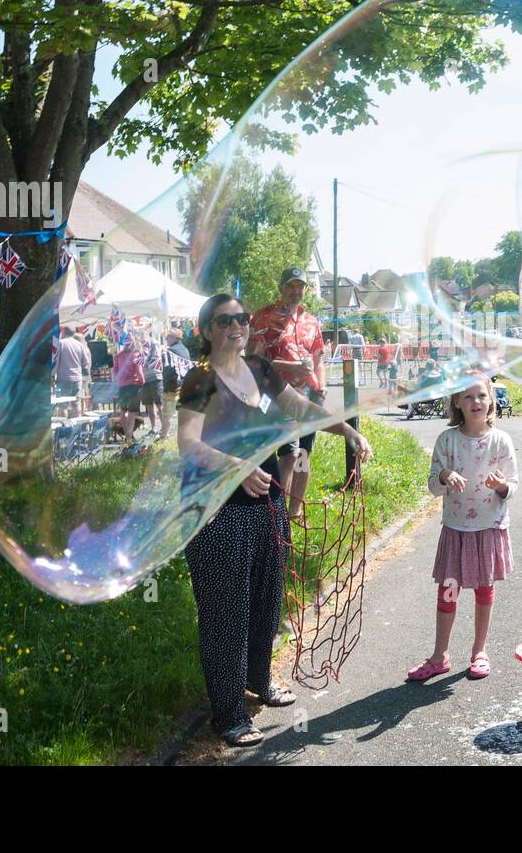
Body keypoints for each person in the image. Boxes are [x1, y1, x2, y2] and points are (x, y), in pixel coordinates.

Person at [178, 293, 372, 747]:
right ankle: (227, 715)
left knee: (266, 597)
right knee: (226, 612)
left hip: (264, 502)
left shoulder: (261, 370)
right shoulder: (199, 378)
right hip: (214, 509)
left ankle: (258, 681)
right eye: (225, 321)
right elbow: (187, 444)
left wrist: (346, 428)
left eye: (242, 319)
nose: (237, 327)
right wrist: (237, 467)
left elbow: (301, 410)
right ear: (207, 331)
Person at [408, 373, 518, 682]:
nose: (476, 402)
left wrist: (501, 487)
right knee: (448, 591)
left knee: (484, 590)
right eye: (467, 397)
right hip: (456, 529)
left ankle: (479, 651)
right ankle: (439, 656)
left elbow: (514, 484)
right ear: (456, 402)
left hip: (488, 527)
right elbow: (432, 484)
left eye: (482, 396)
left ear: (491, 401)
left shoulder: (501, 440)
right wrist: (444, 476)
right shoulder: (448, 441)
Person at [248, 267, 327, 519]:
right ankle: (276, 512)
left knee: (303, 453)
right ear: (281, 288)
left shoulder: (311, 321)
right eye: (291, 286)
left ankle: (293, 511)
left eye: (300, 286)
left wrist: (321, 388)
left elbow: (318, 360)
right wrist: (289, 367)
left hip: (309, 395)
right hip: (277, 396)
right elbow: (253, 361)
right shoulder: (262, 318)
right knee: (288, 454)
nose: (296, 291)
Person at [113, 333, 146, 442]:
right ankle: (128, 437)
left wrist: (119, 382)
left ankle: (128, 436)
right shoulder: (137, 355)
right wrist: (143, 382)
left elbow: (115, 372)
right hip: (133, 386)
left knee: (123, 411)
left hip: (122, 386)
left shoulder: (119, 355)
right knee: (132, 412)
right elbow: (139, 372)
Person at [54, 325, 91, 408]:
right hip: (77, 378)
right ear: (74, 333)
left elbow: (56, 361)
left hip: (64, 378)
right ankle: (77, 419)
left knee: (63, 405)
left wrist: (53, 375)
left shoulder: (60, 343)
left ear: (63, 332)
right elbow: (86, 362)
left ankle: (64, 421)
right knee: (76, 404)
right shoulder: (79, 344)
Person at [140, 333, 165, 437]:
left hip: (155, 377)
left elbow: (155, 359)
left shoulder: (154, 343)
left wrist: (141, 361)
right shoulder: (140, 345)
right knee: (149, 405)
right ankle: (154, 428)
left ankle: (164, 428)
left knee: (159, 404)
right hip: (145, 379)